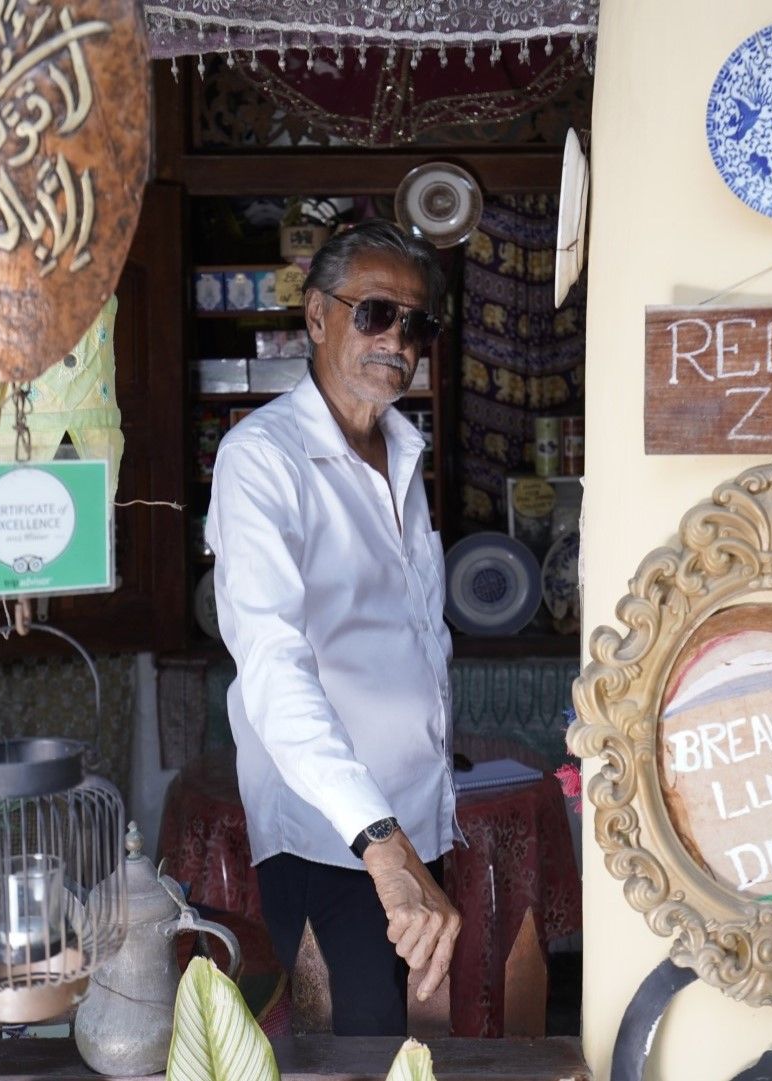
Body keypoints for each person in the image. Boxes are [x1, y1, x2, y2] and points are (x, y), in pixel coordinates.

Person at [205, 219, 461, 1037]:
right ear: (317, 316)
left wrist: (410, 836)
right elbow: (273, 666)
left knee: (423, 1054)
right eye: (376, 313)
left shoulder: (403, 451)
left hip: (415, 824)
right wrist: (380, 843)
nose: (398, 341)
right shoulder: (263, 458)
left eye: (417, 324)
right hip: (333, 840)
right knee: (356, 1057)